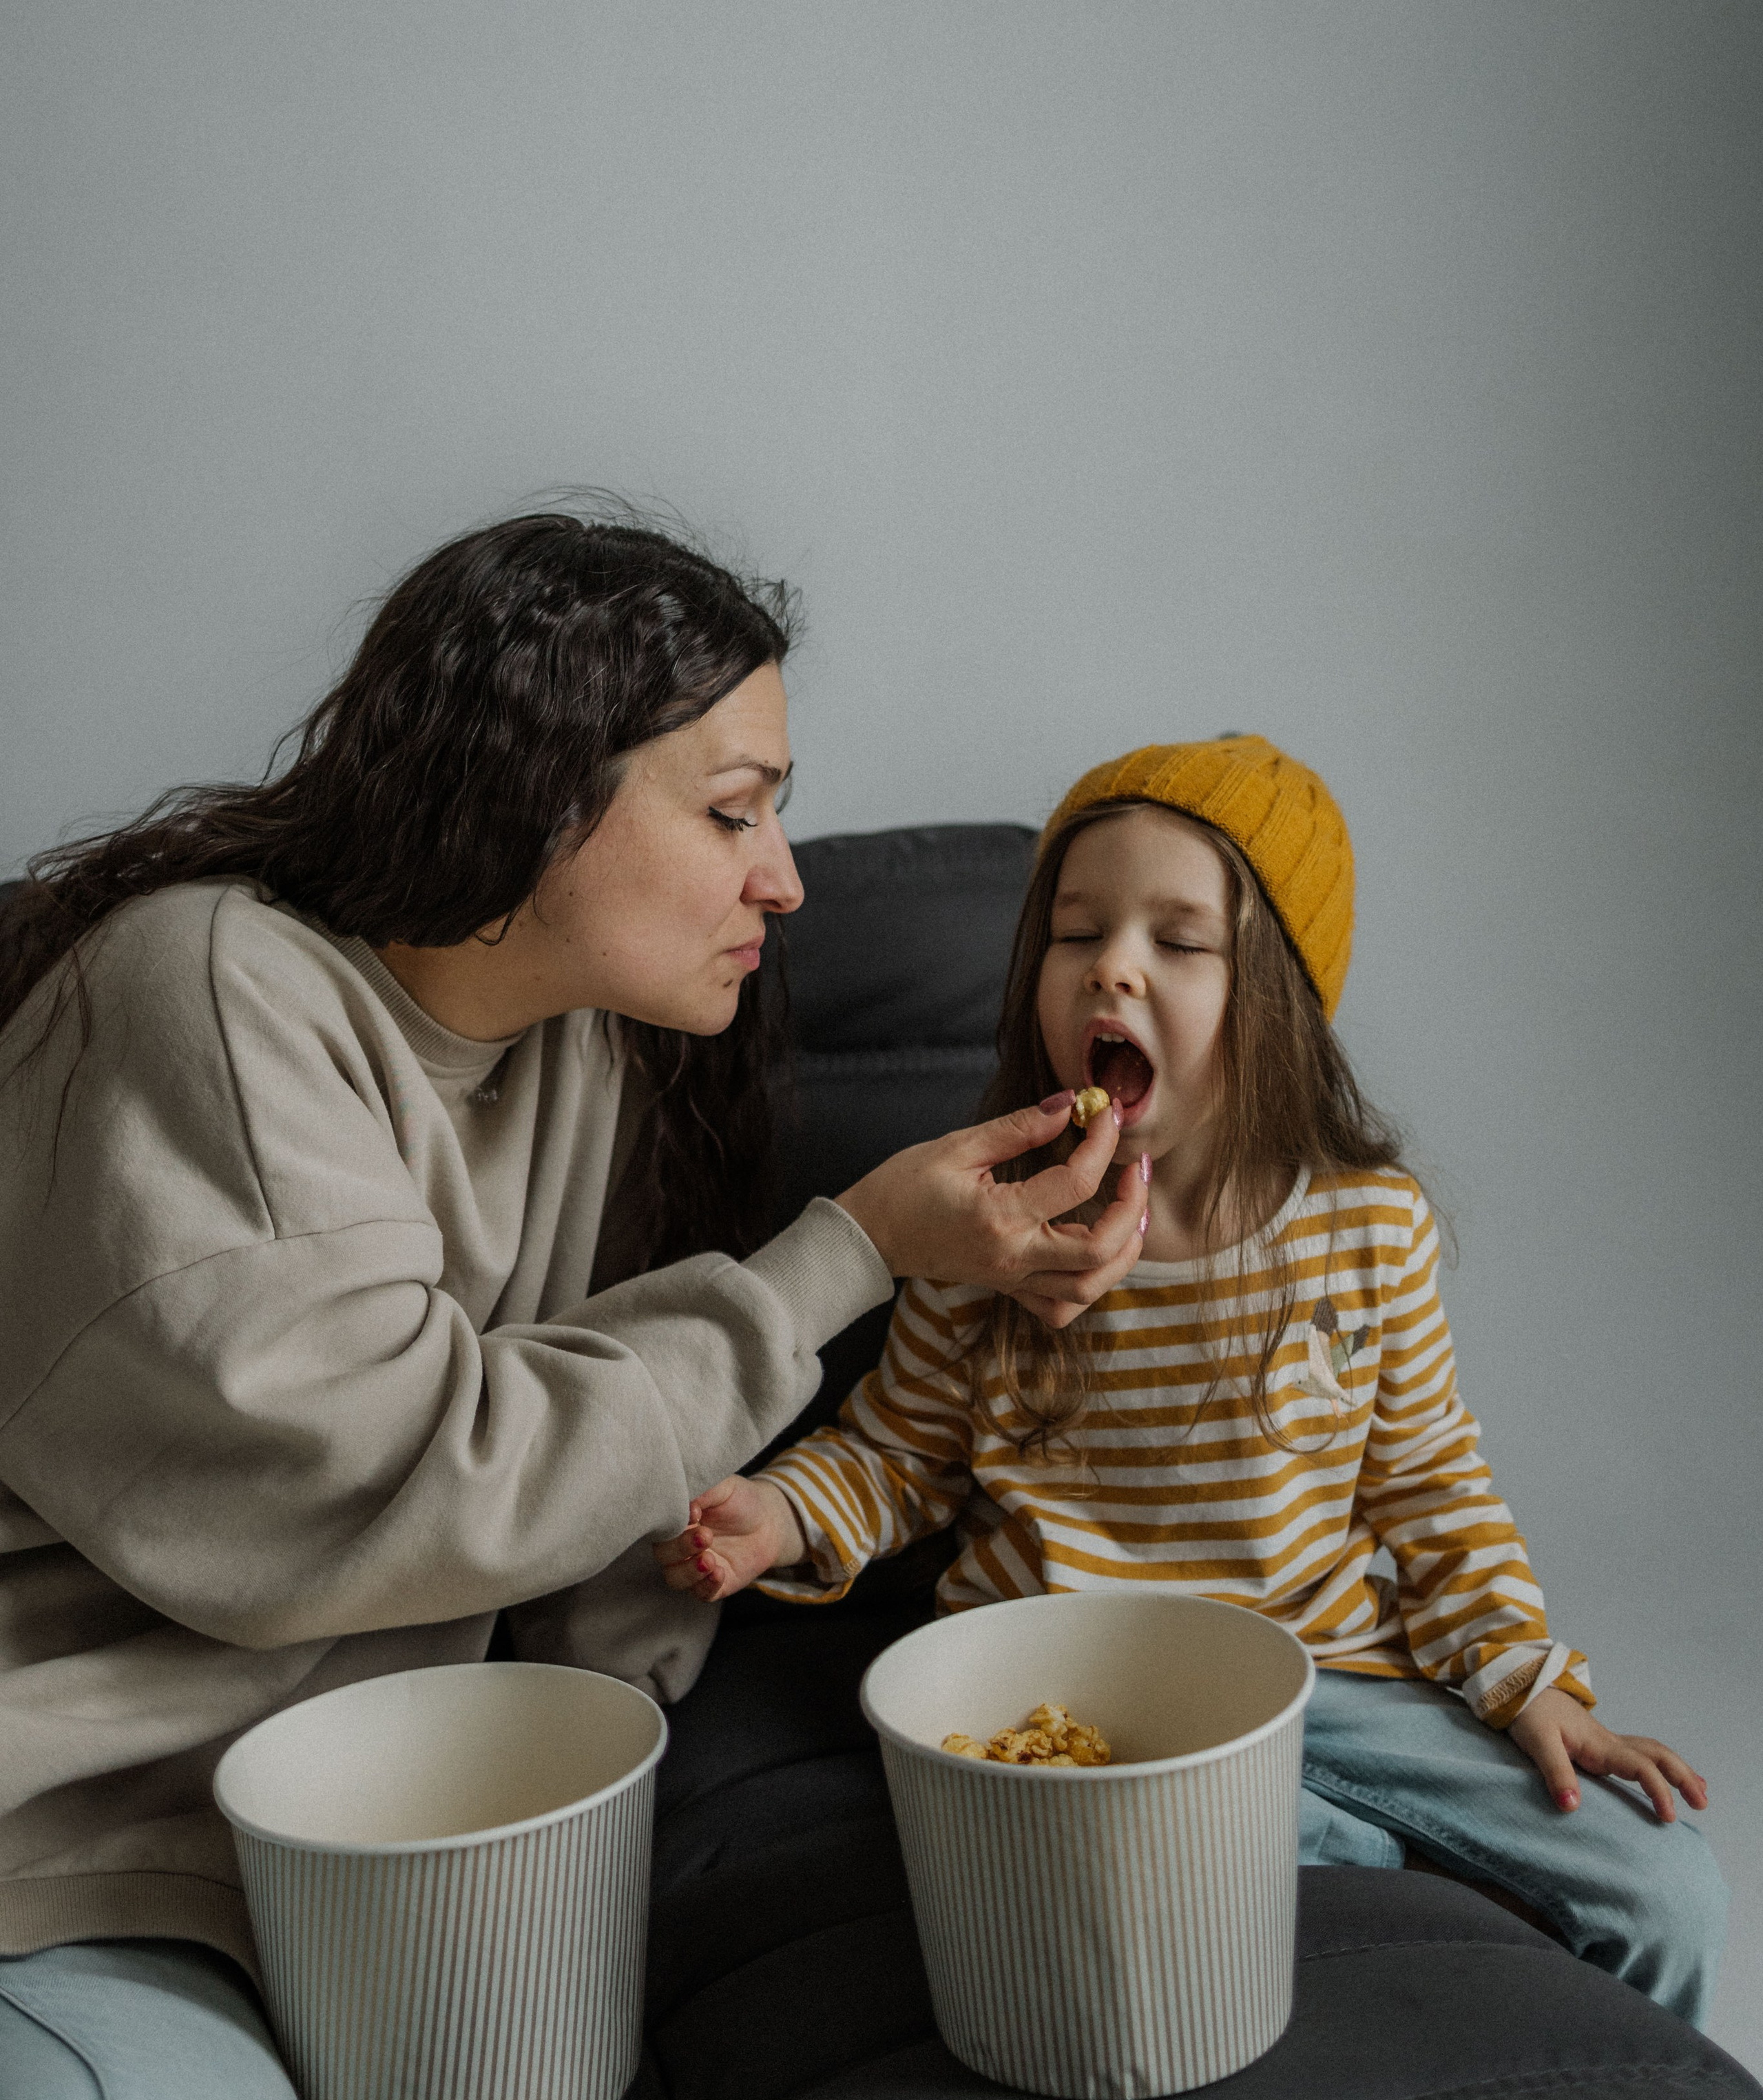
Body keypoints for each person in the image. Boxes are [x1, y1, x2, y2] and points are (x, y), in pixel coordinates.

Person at [0, 512, 1150, 2100]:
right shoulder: (209, 987)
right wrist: (849, 1253)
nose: (785, 877)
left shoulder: (584, 1066)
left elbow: (569, 1500)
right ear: (537, 791)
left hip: (328, 1874)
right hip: (70, 1849)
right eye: (732, 810)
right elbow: (385, 1477)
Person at [657, 735, 1729, 2026]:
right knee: (1241, 1873)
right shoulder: (984, 1233)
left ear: (1271, 997)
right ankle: (1347, 1870)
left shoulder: (1368, 1231)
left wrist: (1526, 1678)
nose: (1114, 966)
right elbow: (895, 1458)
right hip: (1071, 1683)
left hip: (1326, 1678)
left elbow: (1433, 1490)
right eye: (1077, 934)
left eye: (1180, 941)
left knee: (1664, 1892)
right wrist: (776, 1515)